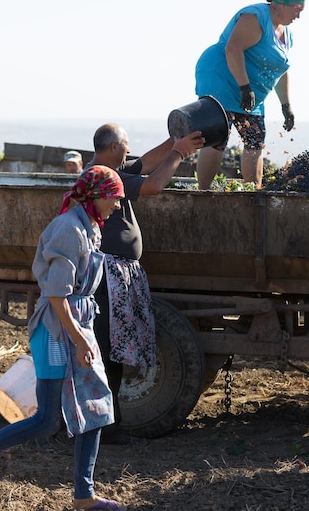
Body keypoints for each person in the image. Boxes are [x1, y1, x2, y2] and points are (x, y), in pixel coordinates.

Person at [0, 165, 128, 511]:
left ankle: (84, 496)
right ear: (97, 194)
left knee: (95, 406)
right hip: (55, 332)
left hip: (75, 327)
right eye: (115, 198)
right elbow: (57, 295)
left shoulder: (90, 227)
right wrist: (78, 340)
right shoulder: (68, 230)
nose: (117, 206)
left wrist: (81, 335)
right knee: (47, 420)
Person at [87, 123, 205, 443]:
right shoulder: (104, 176)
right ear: (113, 147)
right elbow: (153, 184)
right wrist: (179, 153)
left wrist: (174, 140)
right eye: (126, 145)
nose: (129, 150)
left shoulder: (112, 168)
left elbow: (146, 164)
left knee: (112, 348)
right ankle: (105, 428)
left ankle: (111, 423)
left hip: (119, 272)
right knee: (107, 348)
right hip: (108, 273)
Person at [195, 0, 305, 189]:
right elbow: (233, 48)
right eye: (297, 9)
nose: (298, 16)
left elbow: (280, 69)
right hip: (222, 78)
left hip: (251, 90)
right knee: (217, 135)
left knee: (255, 139)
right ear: (280, 4)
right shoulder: (255, 17)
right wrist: (244, 87)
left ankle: (252, 192)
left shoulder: (286, 33)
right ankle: (203, 193)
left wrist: (286, 105)